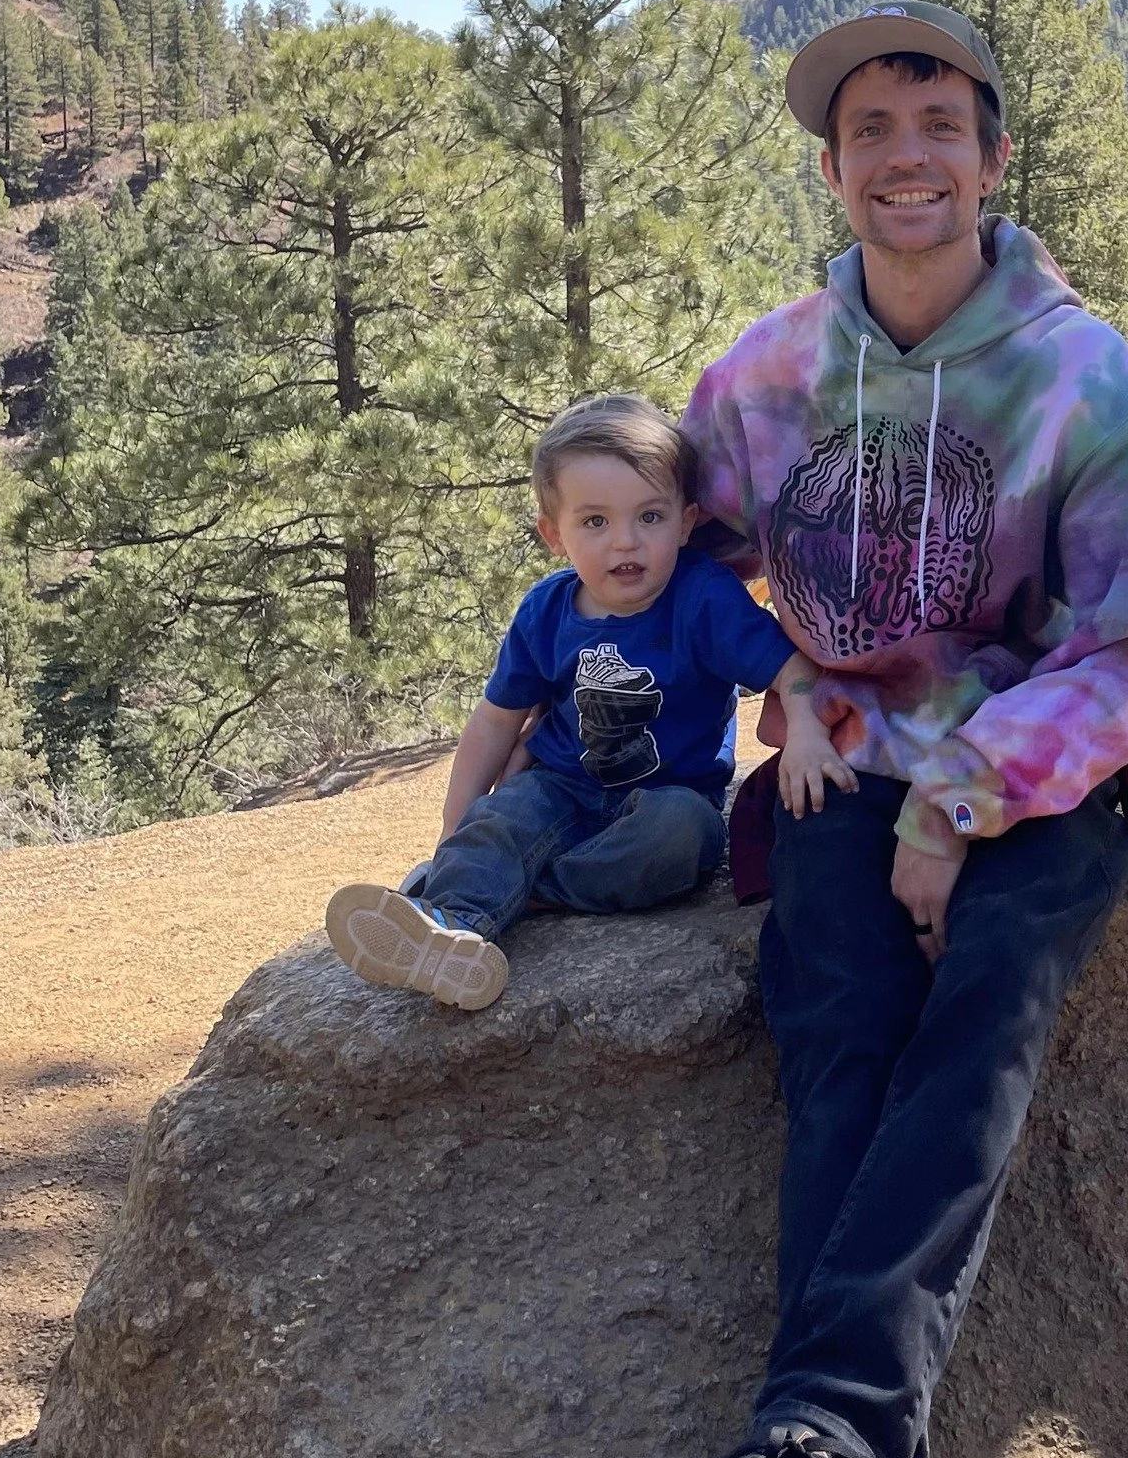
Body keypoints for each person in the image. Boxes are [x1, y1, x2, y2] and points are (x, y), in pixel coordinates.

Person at [648, 3, 1128, 1458]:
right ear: (833, 169)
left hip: (1038, 770)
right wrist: (786, 679)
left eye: (935, 127)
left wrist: (958, 799)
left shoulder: (1079, 377)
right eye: (870, 133)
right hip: (841, 758)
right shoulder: (764, 372)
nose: (905, 160)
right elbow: (689, 552)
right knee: (832, 1021)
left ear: (990, 158)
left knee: (986, 1003)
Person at [325, 394, 853, 1013]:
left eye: (649, 517)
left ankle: (514, 889)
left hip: (670, 797)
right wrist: (455, 830)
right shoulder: (546, 612)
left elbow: (791, 666)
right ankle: (452, 926)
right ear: (555, 534)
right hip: (558, 784)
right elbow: (496, 722)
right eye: (595, 522)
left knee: (682, 841)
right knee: (504, 817)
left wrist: (810, 736)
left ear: (686, 523)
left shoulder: (703, 597)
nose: (625, 543)